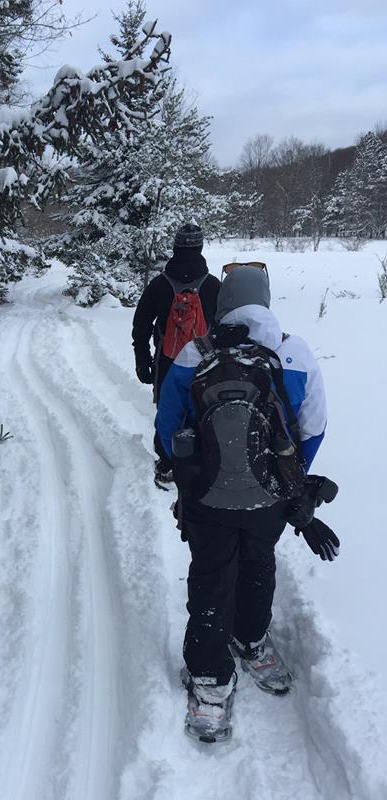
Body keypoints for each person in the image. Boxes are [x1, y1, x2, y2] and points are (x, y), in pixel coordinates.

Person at [155, 264, 329, 742]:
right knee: (258, 565)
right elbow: (313, 427)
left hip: (206, 500)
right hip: (270, 500)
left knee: (211, 576)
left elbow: (167, 427)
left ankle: (210, 681)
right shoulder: (295, 353)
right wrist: (283, 480)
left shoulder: (195, 352)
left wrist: (197, 478)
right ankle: (251, 641)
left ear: (223, 304)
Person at [132, 224, 221, 487]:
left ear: (175, 247)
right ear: (200, 248)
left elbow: (142, 325)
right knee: (205, 408)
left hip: (168, 359)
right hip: (207, 360)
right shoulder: (214, 285)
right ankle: (203, 461)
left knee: (169, 411)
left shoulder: (160, 284)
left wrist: (142, 359)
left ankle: (168, 464)